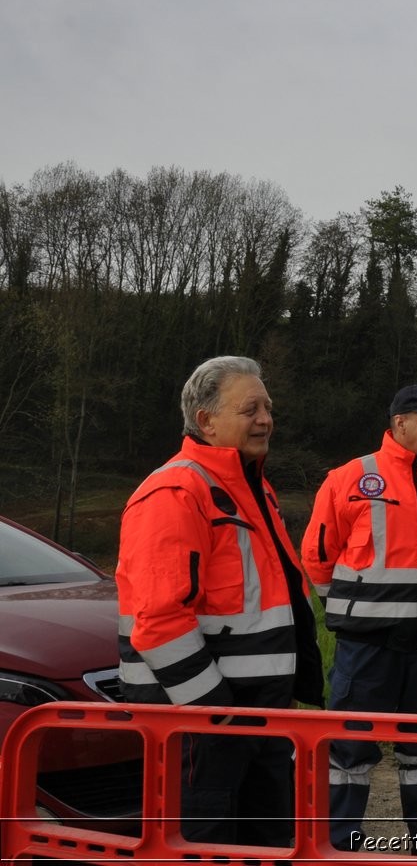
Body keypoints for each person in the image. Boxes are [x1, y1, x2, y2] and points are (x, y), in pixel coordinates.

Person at [115, 356, 324, 847]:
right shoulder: (176, 491)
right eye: (250, 408)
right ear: (206, 420)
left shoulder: (253, 489)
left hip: (256, 719)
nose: (266, 419)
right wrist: (216, 713)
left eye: (268, 407)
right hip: (202, 726)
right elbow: (160, 620)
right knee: (203, 848)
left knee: (267, 846)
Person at [301, 383, 417, 856]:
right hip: (366, 646)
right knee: (348, 750)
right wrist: (352, 612)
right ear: (399, 423)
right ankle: (339, 844)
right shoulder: (350, 478)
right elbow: (318, 556)